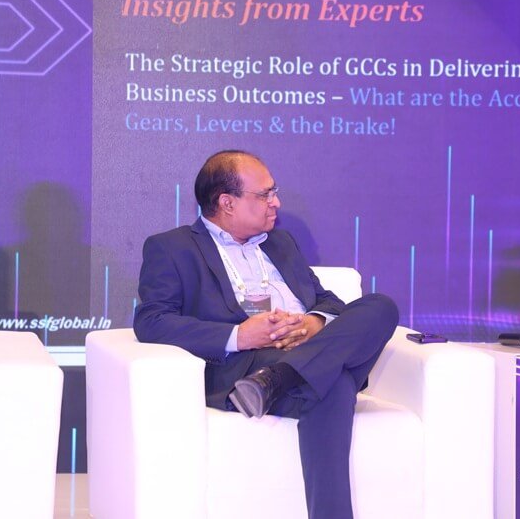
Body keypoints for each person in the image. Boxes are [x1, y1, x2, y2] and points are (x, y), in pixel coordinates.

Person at [134, 150, 399, 519]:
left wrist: (314, 322)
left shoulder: (281, 243)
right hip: (247, 365)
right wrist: (239, 335)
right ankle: (282, 376)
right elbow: (152, 320)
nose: (276, 202)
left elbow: (328, 301)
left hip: (296, 358)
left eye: (274, 192)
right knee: (334, 383)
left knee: (381, 306)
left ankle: (278, 380)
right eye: (264, 194)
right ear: (226, 203)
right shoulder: (172, 248)